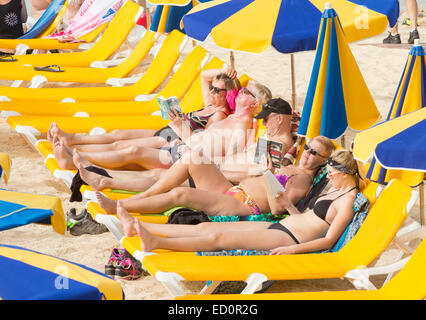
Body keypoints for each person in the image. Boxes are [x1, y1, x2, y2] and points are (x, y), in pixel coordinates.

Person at [115, 149, 360, 254]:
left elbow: (328, 240)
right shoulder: (333, 192)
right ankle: (138, 226)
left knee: (217, 239)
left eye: (332, 173)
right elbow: (304, 218)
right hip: (285, 224)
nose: (328, 177)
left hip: (290, 238)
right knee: (206, 228)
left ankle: (155, 242)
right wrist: (287, 205)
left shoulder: (347, 203)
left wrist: (291, 249)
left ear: (345, 173)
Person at [74, 97, 296, 192]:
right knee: (156, 174)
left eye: (266, 119)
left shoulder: (277, 143)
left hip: (224, 179)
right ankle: (105, 176)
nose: (263, 123)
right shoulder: (271, 139)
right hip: (217, 169)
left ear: (279, 119)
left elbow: (256, 174)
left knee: (158, 177)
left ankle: (107, 180)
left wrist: (216, 167)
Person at [49, 68, 243, 170]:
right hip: (168, 131)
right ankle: (71, 139)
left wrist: (180, 124)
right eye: (212, 88)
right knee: (118, 134)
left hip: (172, 140)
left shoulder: (218, 115)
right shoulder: (209, 103)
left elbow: (201, 143)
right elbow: (204, 76)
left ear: (228, 94)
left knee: (121, 147)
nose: (211, 91)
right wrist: (225, 70)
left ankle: (74, 153)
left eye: (217, 90)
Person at [94, 135, 336, 217]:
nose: (308, 154)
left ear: (324, 161)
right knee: (193, 157)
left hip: (244, 205)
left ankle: (119, 205)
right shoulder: (292, 165)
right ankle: (144, 195)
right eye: (308, 148)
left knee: (182, 194)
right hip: (233, 191)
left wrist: (269, 172)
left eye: (315, 153)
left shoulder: (303, 180)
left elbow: (278, 208)